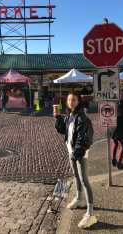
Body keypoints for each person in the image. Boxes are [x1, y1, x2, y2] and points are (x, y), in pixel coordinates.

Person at [54, 91, 97, 229]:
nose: (71, 102)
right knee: (76, 177)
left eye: (74, 100)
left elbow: (85, 138)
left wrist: (77, 152)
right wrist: (57, 118)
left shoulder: (82, 117)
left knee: (84, 180)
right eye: (69, 100)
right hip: (72, 152)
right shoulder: (70, 116)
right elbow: (64, 131)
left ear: (78, 101)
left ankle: (90, 213)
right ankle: (79, 199)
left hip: (80, 153)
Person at [112, 100, 123, 169]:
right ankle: (119, 163)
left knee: (115, 145)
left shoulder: (115, 112)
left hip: (114, 132)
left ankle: (114, 159)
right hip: (122, 132)